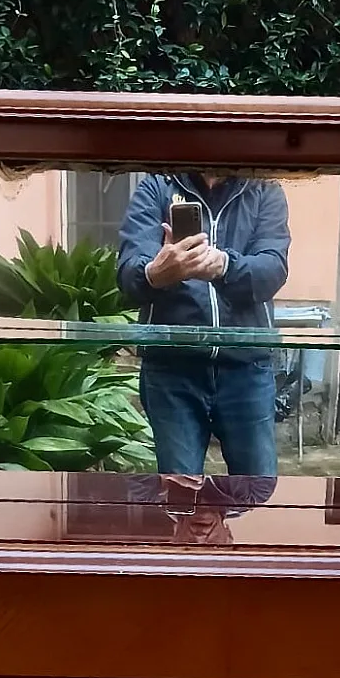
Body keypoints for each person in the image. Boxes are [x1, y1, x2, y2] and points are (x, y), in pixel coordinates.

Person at [117, 174, 291, 476]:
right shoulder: (158, 185)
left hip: (246, 367)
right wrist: (155, 273)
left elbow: (273, 269)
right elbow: (129, 269)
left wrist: (224, 266)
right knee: (180, 492)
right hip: (172, 369)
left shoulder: (264, 188)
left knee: (258, 491)